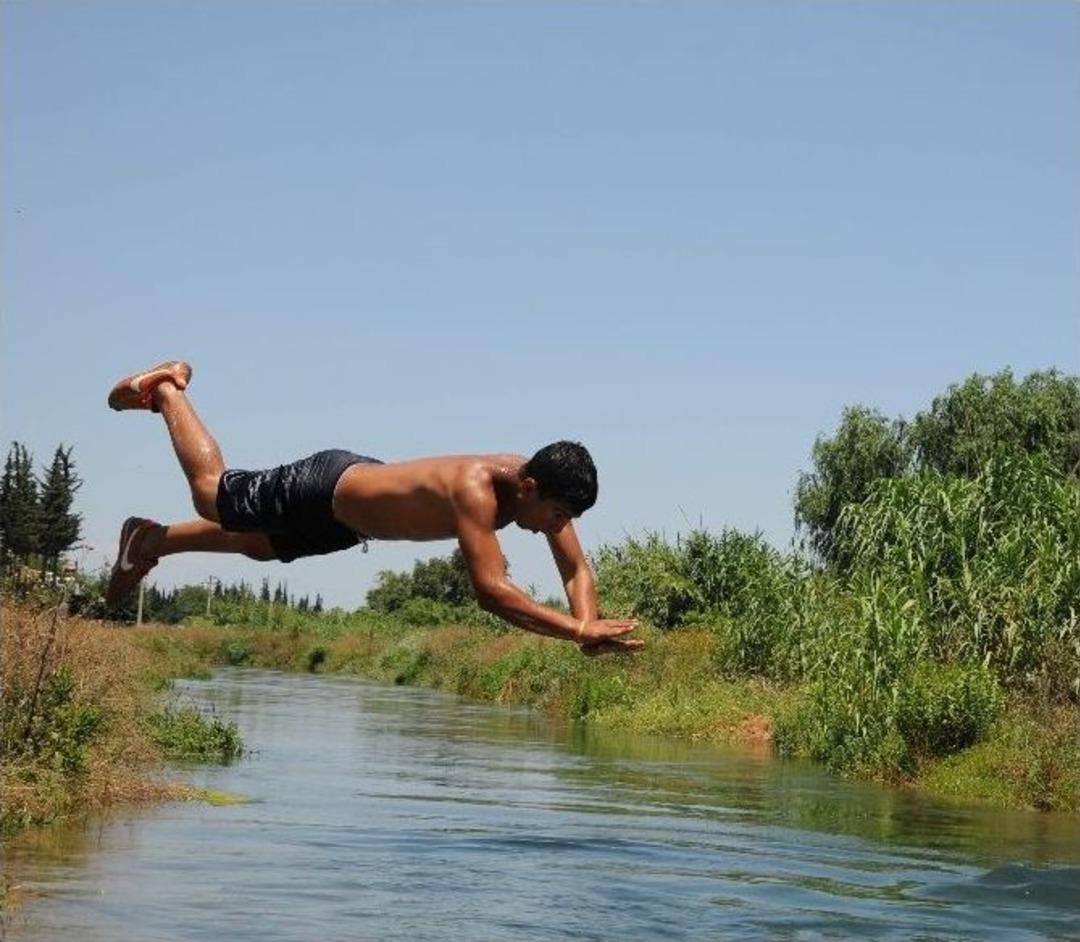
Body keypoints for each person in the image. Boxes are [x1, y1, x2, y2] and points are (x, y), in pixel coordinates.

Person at [105, 360, 642, 655]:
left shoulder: (541, 489)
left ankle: (149, 540)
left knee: (260, 547)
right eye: (556, 516)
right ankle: (169, 390)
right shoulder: (476, 488)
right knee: (214, 497)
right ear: (529, 486)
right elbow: (492, 593)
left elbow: (575, 570)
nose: (558, 528)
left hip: (349, 522)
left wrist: (589, 625)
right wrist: (575, 632)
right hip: (327, 485)